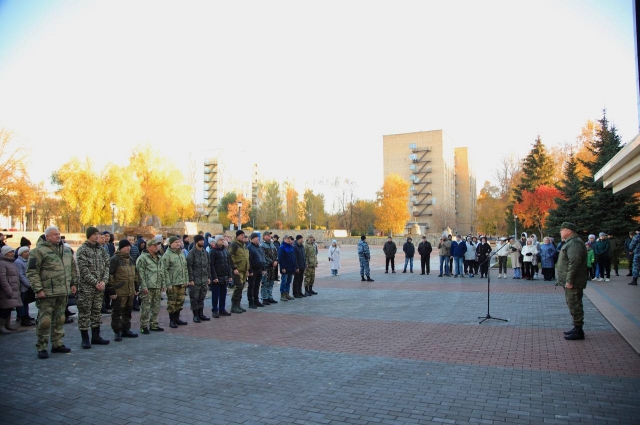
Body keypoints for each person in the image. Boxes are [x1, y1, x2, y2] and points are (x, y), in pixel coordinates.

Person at [27, 226, 78, 359]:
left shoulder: (66, 251)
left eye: (59, 234)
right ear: (47, 236)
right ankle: (42, 346)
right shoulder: (38, 251)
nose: (57, 236)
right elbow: (32, 272)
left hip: (63, 291)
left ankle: (57, 344)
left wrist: (73, 283)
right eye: (54, 234)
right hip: (47, 293)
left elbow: (72, 268)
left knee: (60, 319)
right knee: (45, 321)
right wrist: (38, 289)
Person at [75, 226, 111, 349]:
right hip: (87, 288)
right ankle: (85, 338)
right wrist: (95, 282)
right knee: (85, 313)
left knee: (96, 312)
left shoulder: (101, 250)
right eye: (95, 234)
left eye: (98, 234)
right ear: (89, 235)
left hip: (100, 287)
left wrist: (104, 282)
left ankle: (96, 336)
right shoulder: (82, 250)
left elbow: (107, 266)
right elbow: (83, 270)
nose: (97, 236)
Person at [556, 222, 588, 340]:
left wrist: (569, 281)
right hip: (570, 281)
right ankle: (576, 327)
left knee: (575, 304)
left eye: (562, 230)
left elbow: (574, 263)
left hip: (573, 282)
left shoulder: (575, 243)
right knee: (572, 303)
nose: (560, 232)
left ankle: (579, 330)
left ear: (568, 231)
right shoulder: (570, 243)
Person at [107, 239, 140, 341]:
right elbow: (110, 276)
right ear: (121, 248)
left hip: (130, 290)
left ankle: (126, 329)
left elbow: (135, 275)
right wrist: (111, 290)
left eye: (129, 246)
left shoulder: (130, 259)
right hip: (119, 291)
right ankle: (117, 331)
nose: (128, 248)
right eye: (126, 246)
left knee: (128, 311)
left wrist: (136, 287)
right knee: (117, 312)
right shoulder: (114, 259)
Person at [137, 238, 165, 333]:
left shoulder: (159, 258)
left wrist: (163, 284)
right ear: (148, 247)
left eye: (157, 245)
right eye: (154, 245)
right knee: (146, 307)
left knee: (156, 306)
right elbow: (140, 274)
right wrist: (143, 286)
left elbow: (162, 272)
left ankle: (154, 324)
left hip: (157, 286)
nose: (156, 247)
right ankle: (143, 326)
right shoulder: (143, 258)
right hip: (148, 286)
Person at [161, 236, 190, 327]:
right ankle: (172, 320)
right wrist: (167, 284)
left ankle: (177, 318)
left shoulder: (181, 253)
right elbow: (164, 270)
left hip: (181, 282)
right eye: (175, 242)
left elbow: (185, 268)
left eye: (179, 242)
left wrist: (186, 280)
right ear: (170, 244)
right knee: (172, 302)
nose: (178, 244)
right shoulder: (167, 255)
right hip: (172, 283)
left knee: (180, 301)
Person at [187, 234, 211, 321]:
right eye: (200, 240)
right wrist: (191, 279)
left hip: (204, 280)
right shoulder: (192, 253)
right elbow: (189, 266)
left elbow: (208, 266)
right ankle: (195, 315)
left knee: (202, 297)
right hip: (195, 280)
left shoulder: (205, 253)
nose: (202, 242)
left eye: (203, 240)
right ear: (196, 242)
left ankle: (201, 314)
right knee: (194, 298)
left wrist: (209, 277)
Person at [0, 245, 22, 334]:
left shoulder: (11, 262)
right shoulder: (2, 263)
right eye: (10, 252)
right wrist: (9, 291)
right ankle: (1, 326)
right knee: (4, 309)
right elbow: (2, 279)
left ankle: (7, 324)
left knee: (9, 308)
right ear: (5, 253)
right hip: (6, 291)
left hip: (13, 289)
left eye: (12, 251)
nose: (12, 253)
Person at [209, 235, 232, 316]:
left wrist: (230, 275)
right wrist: (214, 277)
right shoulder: (213, 251)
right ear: (217, 241)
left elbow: (228, 263)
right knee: (215, 295)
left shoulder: (225, 251)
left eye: (223, 239)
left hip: (224, 276)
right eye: (221, 240)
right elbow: (211, 265)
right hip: (217, 277)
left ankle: (222, 309)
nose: (223, 241)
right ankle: (215, 310)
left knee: (223, 295)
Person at [229, 230, 250, 312]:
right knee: (238, 287)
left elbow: (246, 257)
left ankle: (238, 304)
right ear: (237, 236)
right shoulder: (234, 245)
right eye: (241, 235)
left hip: (244, 270)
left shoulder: (243, 245)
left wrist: (247, 269)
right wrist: (234, 268)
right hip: (237, 270)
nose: (243, 236)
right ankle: (234, 306)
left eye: (243, 235)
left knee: (241, 288)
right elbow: (231, 256)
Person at [14, 246, 35, 326]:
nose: (28, 253)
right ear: (21, 253)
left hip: (28, 285)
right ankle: (23, 318)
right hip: (23, 286)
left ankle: (27, 316)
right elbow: (21, 275)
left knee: (26, 302)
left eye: (28, 251)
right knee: (22, 302)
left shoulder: (28, 260)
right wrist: (28, 284)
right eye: (25, 252)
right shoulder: (18, 262)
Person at [247, 232, 266, 308]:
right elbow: (249, 260)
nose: (258, 239)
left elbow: (262, 258)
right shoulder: (249, 248)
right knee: (251, 286)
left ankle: (256, 300)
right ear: (252, 239)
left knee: (257, 285)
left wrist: (263, 268)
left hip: (259, 269)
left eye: (258, 238)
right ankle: (251, 302)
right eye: (256, 238)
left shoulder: (259, 247)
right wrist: (250, 270)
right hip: (253, 269)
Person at [259, 231, 278, 304]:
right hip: (266, 266)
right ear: (264, 236)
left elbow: (276, 254)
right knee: (265, 282)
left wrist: (276, 260)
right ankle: (264, 298)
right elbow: (264, 256)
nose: (269, 236)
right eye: (267, 235)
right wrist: (271, 262)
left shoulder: (272, 245)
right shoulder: (262, 245)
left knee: (271, 282)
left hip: (272, 267)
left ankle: (270, 296)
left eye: (270, 235)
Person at [277, 235, 296, 301]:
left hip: (291, 267)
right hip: (285, 268)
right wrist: (283, 267)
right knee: (284, 281)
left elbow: (293, 258)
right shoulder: (282, 247)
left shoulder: (291, 247)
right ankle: (283, 295)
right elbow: (281, 258)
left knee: (289, 281)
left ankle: (287, 294)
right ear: (284, 239)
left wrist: (294, 266)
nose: (289, 240)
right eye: (288, 238)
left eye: (290, 239)